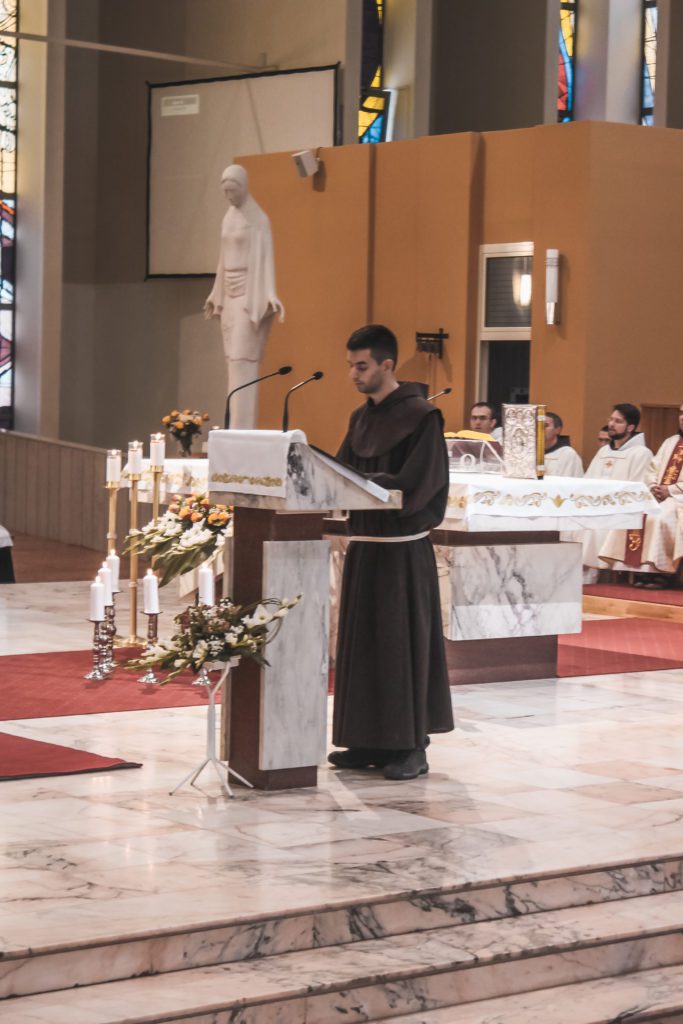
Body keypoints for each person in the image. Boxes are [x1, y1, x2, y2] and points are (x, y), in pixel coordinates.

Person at [329, 324, 454, 780]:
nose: (353, 374)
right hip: (366, 549)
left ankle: (410, 746)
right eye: (350, 366)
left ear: (387, 364)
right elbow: (341, 471)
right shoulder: (360, 418)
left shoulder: (423, 417)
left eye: (361, 366)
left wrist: (373, 486)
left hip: (401, 552)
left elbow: (422, 483)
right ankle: (366, 740)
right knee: (364, 646)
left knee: (400, 646)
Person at [204, 164, 284, 428]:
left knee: (242, 360)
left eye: (233, 191)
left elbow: (265, 260)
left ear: (244, 186)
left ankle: (242, 428)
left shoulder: (258, 220)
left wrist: (269, 294)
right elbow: (222, 258)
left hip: (248, 296)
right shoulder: (228, 217)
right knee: (232, 361)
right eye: (225, 192)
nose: (229, 197)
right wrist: (216, 293)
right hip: (228, 295)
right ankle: (234, 429)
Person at [600, 402, 683, 586]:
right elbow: (652, 468)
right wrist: (653, 486)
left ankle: (660, 572)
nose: (682, 418)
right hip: (659, 495)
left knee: (659, 518)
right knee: (633, 512)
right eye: (681, 413)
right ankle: (638, 571)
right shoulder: (670, 442)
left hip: (679, 499)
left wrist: (669, 490)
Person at [582, 403, 653, 574]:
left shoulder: (641, 453)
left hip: (621, 511)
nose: (611, 424)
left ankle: (602, 575)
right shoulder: (603, 451)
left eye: (618, 421)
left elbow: (637, 490)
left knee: (597, 526)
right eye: (611, 419)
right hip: (596, 507)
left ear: (630, 427)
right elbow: (587, 482)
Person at [543, 411, 583, 477]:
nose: (539, 429)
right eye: (536, 425)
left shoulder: (568, 454)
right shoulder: (530, 453)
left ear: (558, 430)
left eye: (545, 425)